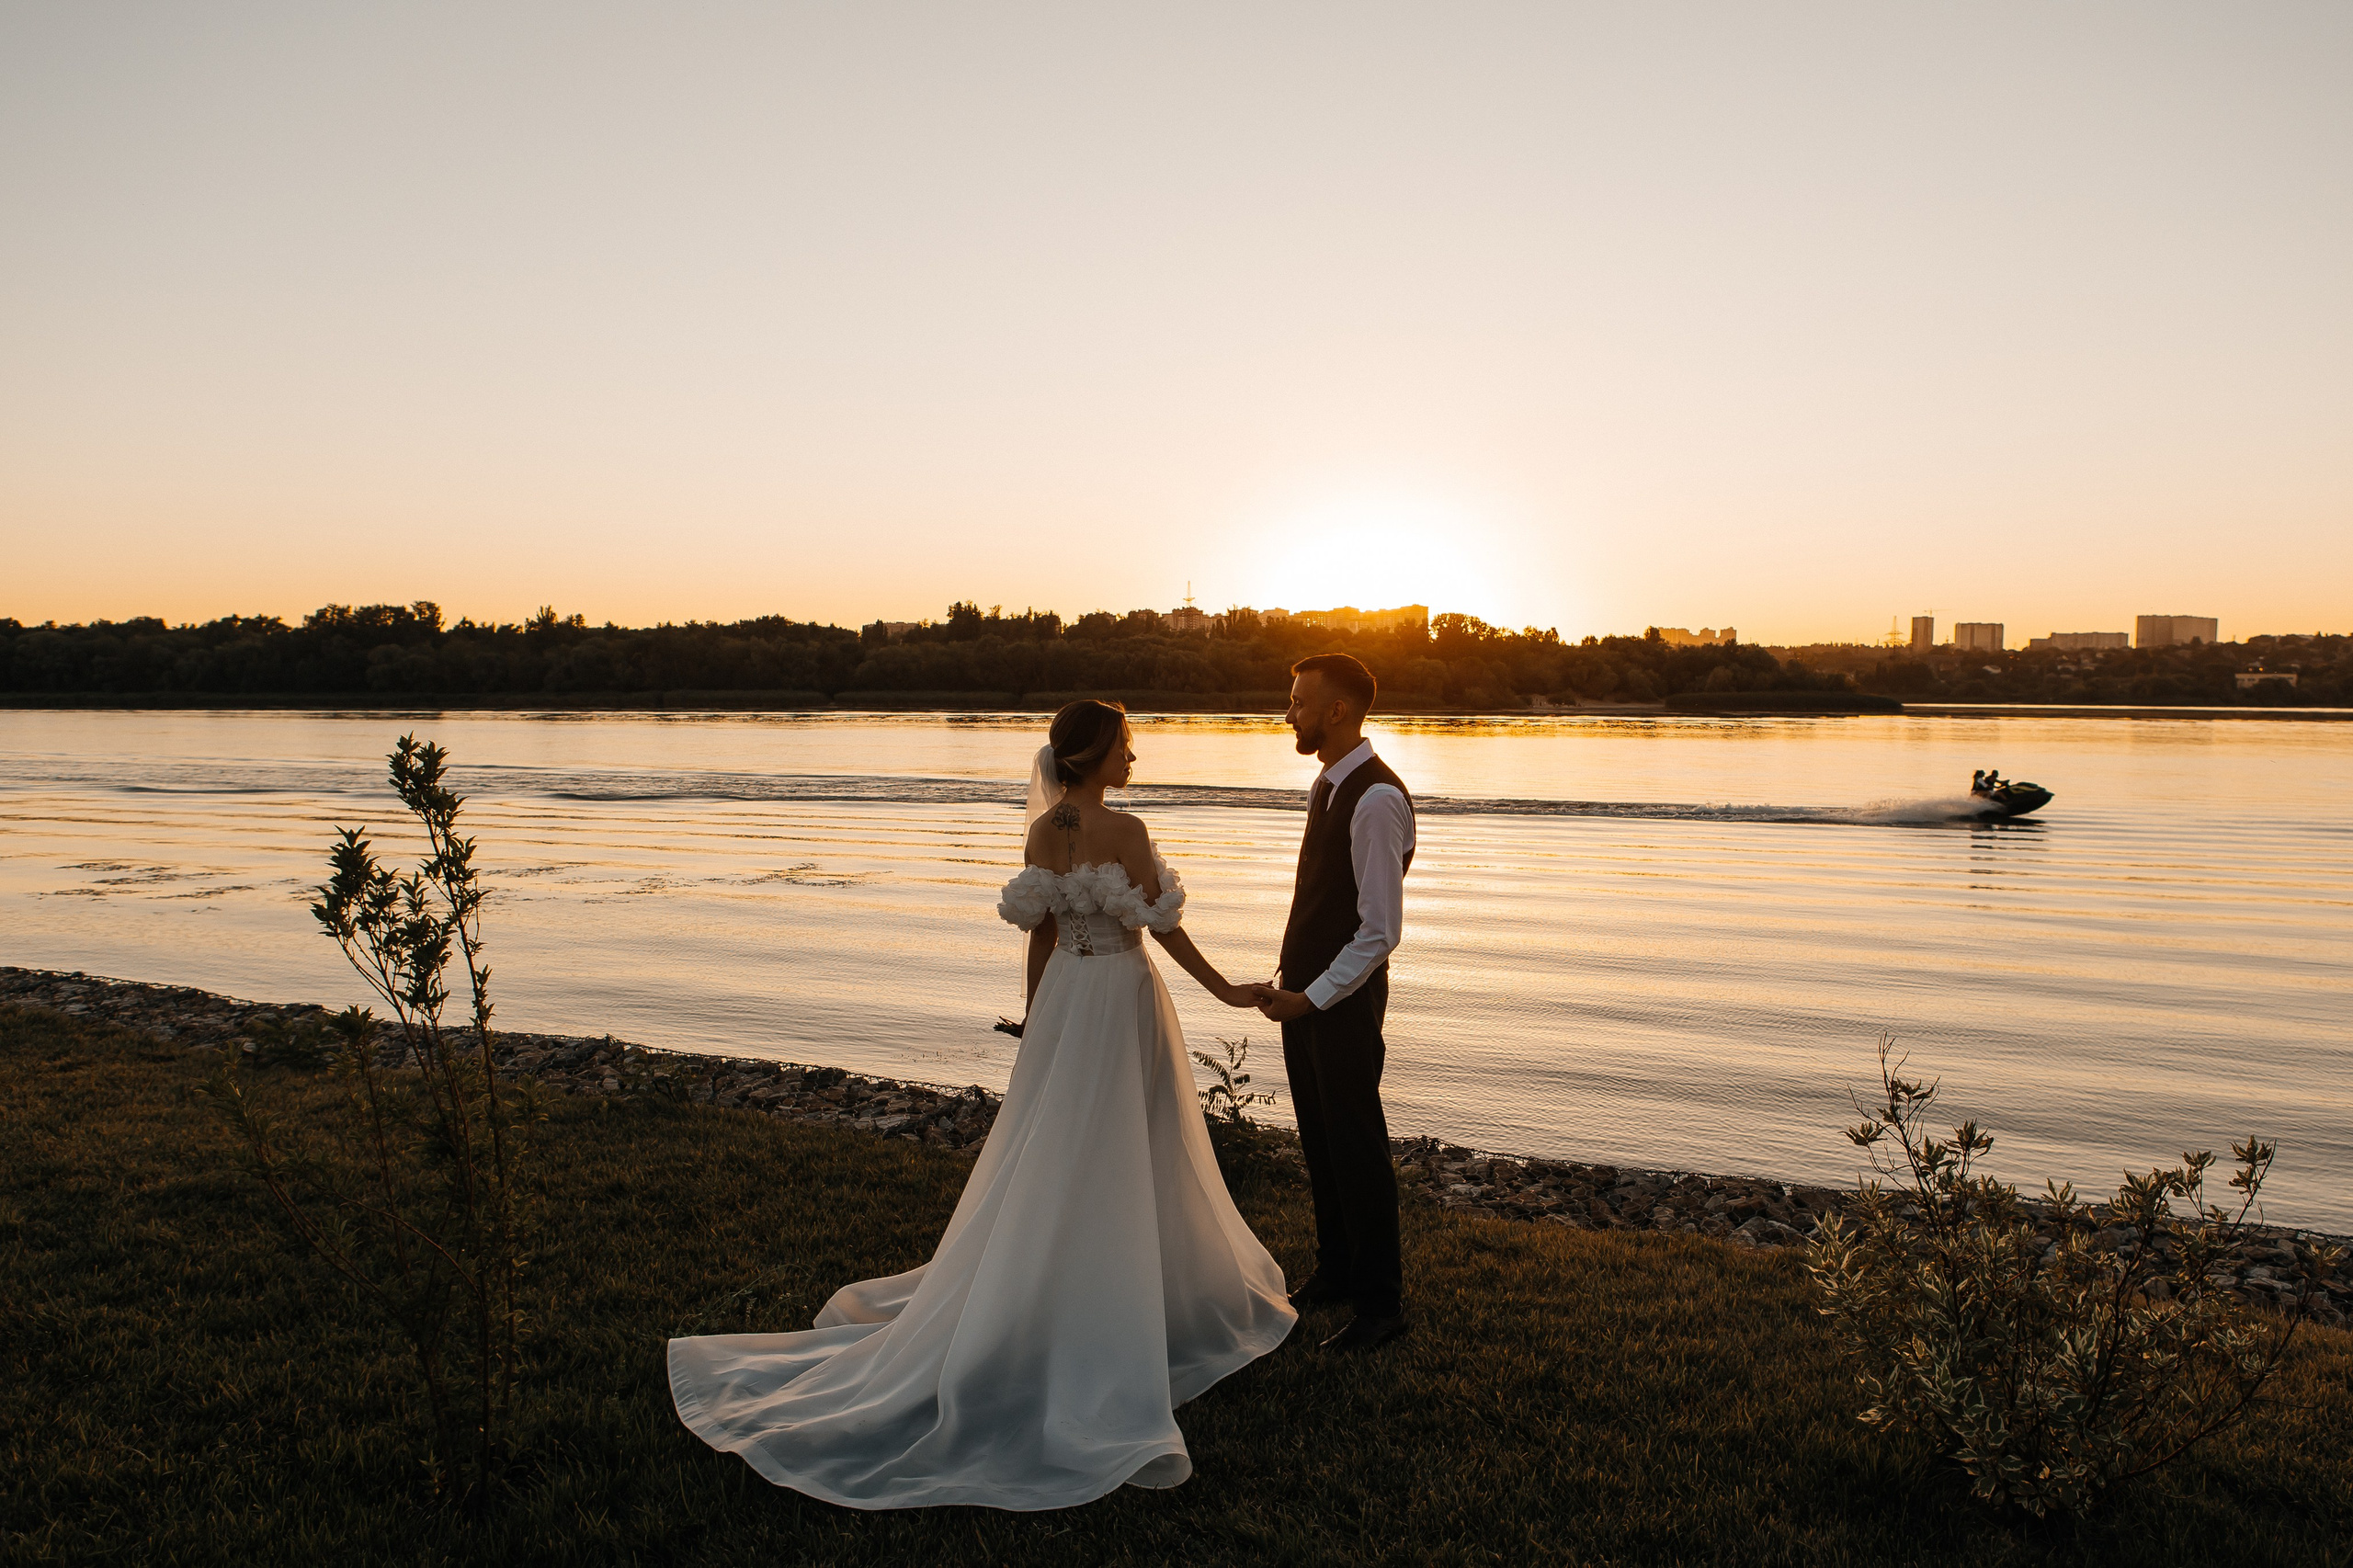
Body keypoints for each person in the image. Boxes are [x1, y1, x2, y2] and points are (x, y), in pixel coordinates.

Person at [665, 700, 1295, 1509]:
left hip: (1069, 997)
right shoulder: (1128, 833)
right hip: (1118, 995)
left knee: (1058, 1142)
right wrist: (1231, 993)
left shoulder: (1043, 833)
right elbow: (1162, 934)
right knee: (1134, 1140)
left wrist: (1037, 1018)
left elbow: (1039, 932)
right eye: (1126, 747)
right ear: (1095, 752)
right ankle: (1118, 1295)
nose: (1133, 759)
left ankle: (1080, 1276)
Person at [1254, 653, 1416, 1353]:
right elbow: (1324, 902)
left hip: (1340, 1003)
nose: (1288, 712)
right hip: (1307, 996)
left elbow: (1379, 930)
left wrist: (1311, 999)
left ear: (1337, 711)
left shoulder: (1376, 799)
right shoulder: (1326, 784)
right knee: (1320, 1140)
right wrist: (1291, 982)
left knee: (1356, 1148)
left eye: (1297, 702)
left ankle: (1381, 1307)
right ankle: (1337, 1271)